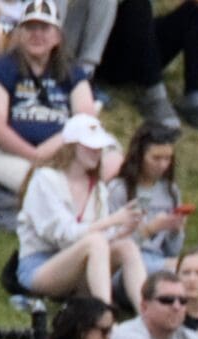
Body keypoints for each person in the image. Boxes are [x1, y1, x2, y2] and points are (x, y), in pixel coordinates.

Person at [14, 112, 143, 304]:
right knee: (95, 242)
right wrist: (112, 220)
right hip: (39, 265)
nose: (97, 152)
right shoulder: (46, 179)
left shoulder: (97, 186)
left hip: (80, 264)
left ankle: (148, 314)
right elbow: (65, 234)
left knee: (127, 246)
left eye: (99, 148)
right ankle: (104, 316)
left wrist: (121, 230)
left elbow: (100, 237)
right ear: (72, 147)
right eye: (90, 147)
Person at [0, 0, 98, 193]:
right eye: (30, 27)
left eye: (44, 28)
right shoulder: (1, 69)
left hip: (63, 151)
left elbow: (86, 119)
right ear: (19, 34)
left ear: (57, 36)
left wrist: (49, 150)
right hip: (8, 154)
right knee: (42, 182)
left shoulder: (72, 72)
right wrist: (32, 155)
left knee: (113, 164)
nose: (36, 34)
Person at [88, 0, 198, 138]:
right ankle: (153, 96)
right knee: (138, 4)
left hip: (144, 40)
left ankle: (195, 96)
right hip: (108, 49)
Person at [109, 122, 188, 282]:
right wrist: (150, 229)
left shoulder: (170, 191)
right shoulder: (119, 190)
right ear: (140, 156)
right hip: (126, 265)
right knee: (186, 271)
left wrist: (175, 230)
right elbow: (111, 247)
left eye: (167, 158)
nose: (163, 165)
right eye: (156, 158)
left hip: (159, 259)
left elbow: (173, 250)